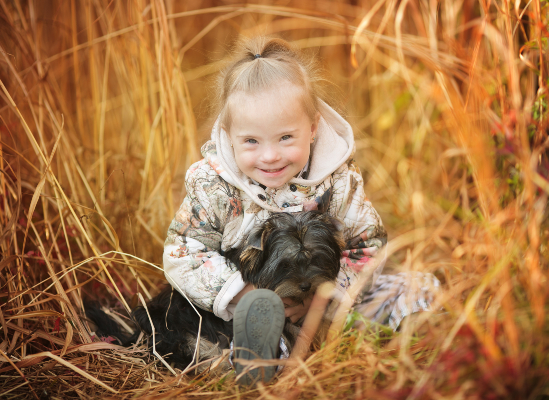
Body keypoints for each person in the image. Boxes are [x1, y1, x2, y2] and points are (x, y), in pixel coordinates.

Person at [163, 36, 439, 385]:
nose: (269, 156)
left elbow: (367, 244)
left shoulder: (338, 180)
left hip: (330, 297)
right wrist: (241, 294)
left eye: (285, 138)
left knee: (413, 287)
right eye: (251, 141)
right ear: (228, 135)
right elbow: (184, 250)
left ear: (311, 129)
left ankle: (421, 329)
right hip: (252, 303)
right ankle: (254, 359)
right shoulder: (213, 185)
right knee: (252, 326)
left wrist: (324, 297)